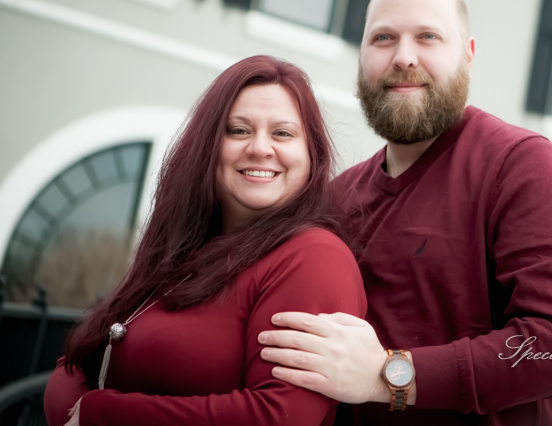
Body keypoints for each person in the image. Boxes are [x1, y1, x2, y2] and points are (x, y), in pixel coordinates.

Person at [257, 0, 552, 425]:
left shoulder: (522, 167)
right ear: (361, 57)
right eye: (383, 38)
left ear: (468, 55)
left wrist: (389, 375)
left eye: (428, 37)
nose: (403, 57)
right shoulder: (336, 200)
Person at [43, 56, 367, 426]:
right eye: (238, 130)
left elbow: (280, 416)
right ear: (207, 147)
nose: (260, 148)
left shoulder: (314, 258)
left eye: (283, 133)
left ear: (313, 156)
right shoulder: (186, 249)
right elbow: (80, 363)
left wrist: (102, 414)